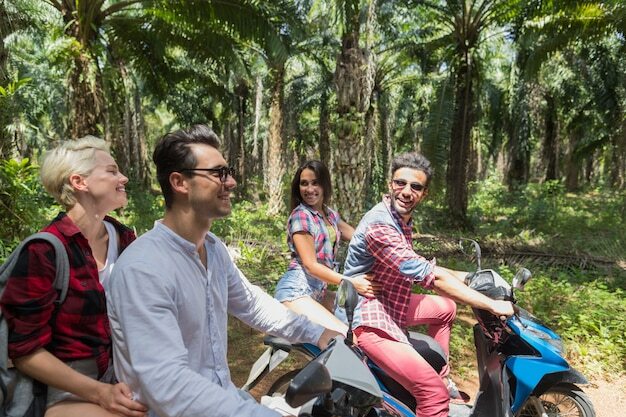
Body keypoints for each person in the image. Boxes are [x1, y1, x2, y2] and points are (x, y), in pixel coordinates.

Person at [106, 125, 341, 417]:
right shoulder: (143, 268)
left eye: (227, 172)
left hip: (226, 399)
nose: (230, 182)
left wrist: (318, 333)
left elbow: (252, 304)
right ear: (180, 182)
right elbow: (167, 384)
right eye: (218, 173)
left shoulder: (214, 250)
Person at [337, 152, 515, 417]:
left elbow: (420, 264)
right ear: (390, 184)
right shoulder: (381, 226)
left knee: (445, 308)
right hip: (367, 317)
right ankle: (435, 391)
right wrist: (491, 303)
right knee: (433, 393)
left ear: (424, 193)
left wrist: (470, 278)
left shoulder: (400, 220)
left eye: (415, 186)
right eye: (400, 183)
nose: (406, 191)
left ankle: (441, 375)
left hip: (388, 300)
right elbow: (429, 275)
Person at [0, 136, 148, 417]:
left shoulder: (126, 239)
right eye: (112, 170)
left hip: (126, 376)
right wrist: (100, 393)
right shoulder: (44, 251)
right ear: (80, 182)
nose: (124, 178)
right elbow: (25, 352)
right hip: (65, 392)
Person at [274, 160, 378, 334]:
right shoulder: (301, 216)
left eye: (315, 183)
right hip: (296, 291)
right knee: (346, 336)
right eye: (304, 184)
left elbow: (358, 238)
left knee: (364, 317)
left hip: (319, 292)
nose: (309, 189)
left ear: (324, 185)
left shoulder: (329, 215)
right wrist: (351, 282)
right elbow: (311, 266)